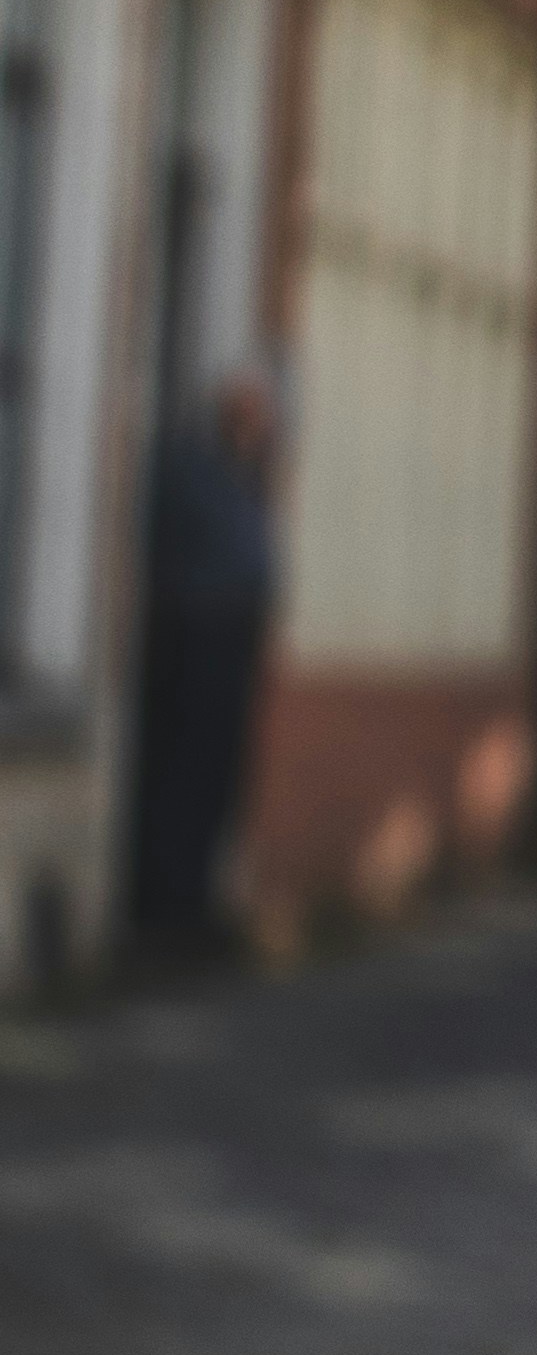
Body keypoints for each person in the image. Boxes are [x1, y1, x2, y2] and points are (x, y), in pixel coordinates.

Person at [129, 365, 280, 943]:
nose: (261, 425)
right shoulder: (192, 470)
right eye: (251, 413)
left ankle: (193, 901)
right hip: (196, 640)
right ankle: (168, 905)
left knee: (217, 775)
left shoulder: (248, 476)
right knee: (184, 772)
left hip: (230, 642)